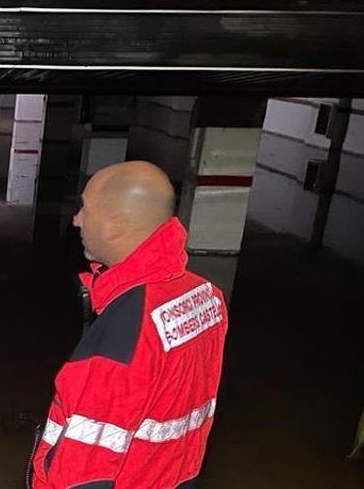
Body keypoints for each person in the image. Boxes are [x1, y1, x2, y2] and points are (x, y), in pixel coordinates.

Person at [29, 161, 228, 488]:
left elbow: (86, 465)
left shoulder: (128, 324)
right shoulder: (205, 295)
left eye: (86, 209)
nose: (76, 220)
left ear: (115, 225)